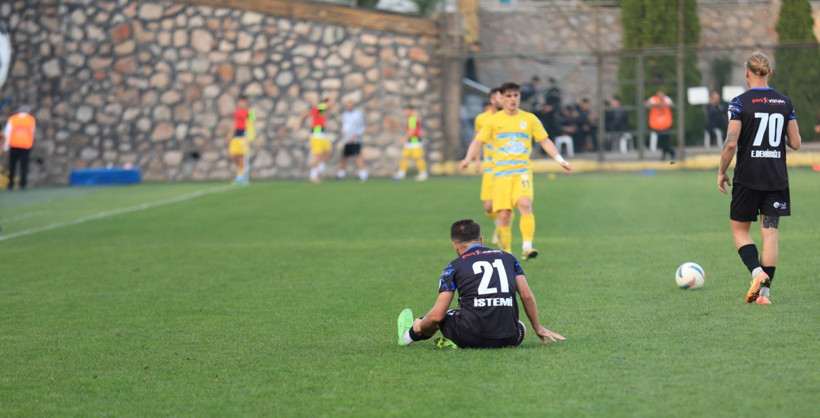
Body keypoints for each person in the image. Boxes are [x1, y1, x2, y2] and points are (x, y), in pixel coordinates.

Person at [396, 219, 565, 349]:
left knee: (441, 315)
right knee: (521, 326)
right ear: (481, 240)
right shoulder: (508, 257)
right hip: (510, 337)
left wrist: (420, 325)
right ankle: (454, 339)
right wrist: (538, 327)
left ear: (455, 245)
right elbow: (526, 295)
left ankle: (407, 336)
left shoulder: (453, 266)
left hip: (469, 336)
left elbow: (437, 316)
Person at [717, 51, 802, 306]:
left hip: (748, 180)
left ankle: (757, 273)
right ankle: (764, 295)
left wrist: (722, 171)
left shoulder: (740, 102)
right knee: (770, 233)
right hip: (776, 180)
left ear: (747, 74)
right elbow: (796, 143)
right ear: (770, 73)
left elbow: (731, 143)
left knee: (740, 231)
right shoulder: (785, 102)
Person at [459, 82, 572, 261]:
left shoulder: (530, 119)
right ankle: (507, 255)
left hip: (522, 173)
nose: (512, 99)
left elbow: (544, 140)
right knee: (504, 215)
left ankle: (527, 247)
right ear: (502, 98)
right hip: (501, 176)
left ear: (519, 97)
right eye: (509, 96)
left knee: (525, 204)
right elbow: (478, 141)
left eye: (516, 96)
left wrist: (560, 160)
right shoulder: (493, 121)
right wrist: (468, 159)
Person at [471, 87, 503, 243]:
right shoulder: (481, 119)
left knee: (504, 206)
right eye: (500, 97)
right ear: (492, 100)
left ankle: (502, 232)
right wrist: (477, 160)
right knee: (488, 207)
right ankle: (499, 225)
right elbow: (476, 140)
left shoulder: (508, 118)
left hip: (505, 168)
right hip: (489, 168)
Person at [297, 98, 333, 184]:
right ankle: (313, 176)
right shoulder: (320, 107)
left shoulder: (319, 110)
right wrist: (333, 96)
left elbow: (306, 114)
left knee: (328, 152)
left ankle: (320, 169)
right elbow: (329, 105)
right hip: (317, 135)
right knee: (317, 156)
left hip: (322, 135)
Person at [2, 105, 36, 190]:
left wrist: (6, 147)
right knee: (24, 166)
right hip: (26, 146)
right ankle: (23, 185)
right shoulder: (31, 120)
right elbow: (32, 132)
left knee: (12, 166)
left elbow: (7, 133)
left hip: (14, 145)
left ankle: (10, 185)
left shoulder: (13, 119)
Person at [393, 105, 428, 181]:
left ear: (411, 110)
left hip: (415, 141)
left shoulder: (412, 118)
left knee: (418, 158)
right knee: (405, 157)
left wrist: (404, 138)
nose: (405, 112)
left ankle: (423, 173)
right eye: (405, 110)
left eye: (407, 110)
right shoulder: (410, 118)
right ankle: (401, 173)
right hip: (410, 142)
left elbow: (412, 131)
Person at [336, 100, 368, 182]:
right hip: (347, 139)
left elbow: (361, 127)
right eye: (347, 105)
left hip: (355, 139)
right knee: (344, 156)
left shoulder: (358, 115)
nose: (348, 106)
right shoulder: (345, 114)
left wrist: (355, 135)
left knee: (357, 156)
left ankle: (363, 174)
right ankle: (341, 174)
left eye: (350, 105)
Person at [227, 96, 255, 184]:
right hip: (236, 135)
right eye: (240, 102)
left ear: (246, 102)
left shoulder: (250, 112)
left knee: (241, 157)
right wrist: (229, 136)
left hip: (244, 135)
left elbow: (252, 125)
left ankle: (240, 176)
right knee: (232, 155)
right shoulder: (236, 112)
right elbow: (234, 124)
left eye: (243, 102)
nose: (241, 104)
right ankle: (243, 170)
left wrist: (250, 138)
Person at [646, 89, 676, 160]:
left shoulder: (667, 99)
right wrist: (656, 105)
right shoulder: (653, 99)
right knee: (661, 141)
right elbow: (646, 104)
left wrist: (664, 104)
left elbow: (672, 104)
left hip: (666, 124)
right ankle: (671, 152)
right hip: (656, 125)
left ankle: (664, 155)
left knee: (665, 141)